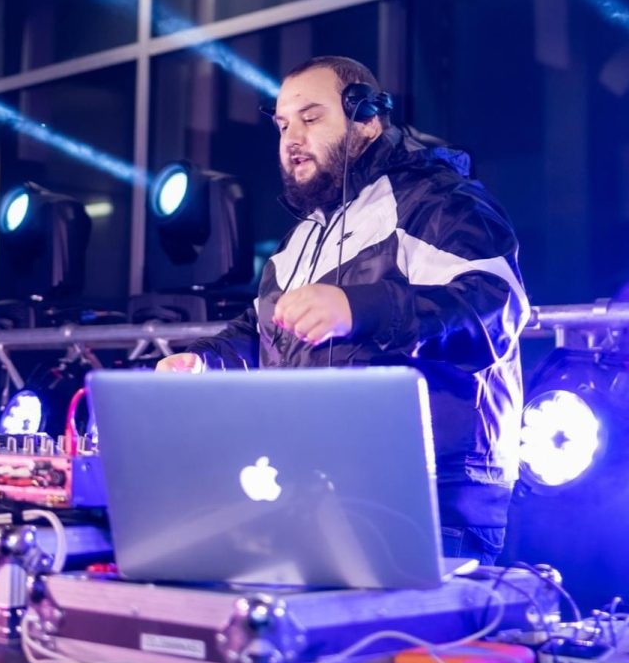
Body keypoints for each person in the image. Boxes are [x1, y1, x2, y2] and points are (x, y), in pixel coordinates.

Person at [156, 56, 530, 564]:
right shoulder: (300, 239)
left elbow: (495, 305)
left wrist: (360, 307)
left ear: (367, 119)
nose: (292, 139)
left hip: (431, 496)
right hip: (322, 494)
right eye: (283, 125)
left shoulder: (440, 200)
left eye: (311, 118)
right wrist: (204, 359)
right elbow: (262, 330)